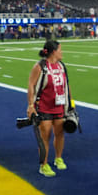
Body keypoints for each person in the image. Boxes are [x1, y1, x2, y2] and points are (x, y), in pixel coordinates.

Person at [26, 40, 70, 177]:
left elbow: (66, 85)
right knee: (45, 137)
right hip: (44, 107)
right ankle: (43, 165)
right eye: (60, 50)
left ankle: (58, 158)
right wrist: (31, 105)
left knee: (60, 133)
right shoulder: (40, 66)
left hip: (59, 106)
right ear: (53, 52)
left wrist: (70, 104)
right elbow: (31, 85)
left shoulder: (61, 66)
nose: (62, 52)